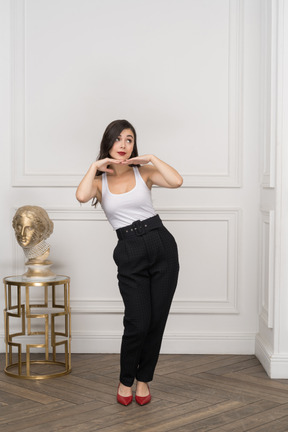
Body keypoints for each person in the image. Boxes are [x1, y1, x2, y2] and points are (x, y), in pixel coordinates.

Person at [76, 119, 182, 406]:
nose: (123, 145)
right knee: (137, 321)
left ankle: (144, 379)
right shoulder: (98, 182)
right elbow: (81, 196)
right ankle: (125, 380)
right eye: (118, 139)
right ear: (108, 143)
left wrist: (152, 159)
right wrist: (93, 167)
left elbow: (176, 181)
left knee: (156, 320)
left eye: (129, 139)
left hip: (161, 244)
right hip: (129, 250)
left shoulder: (144, 172)